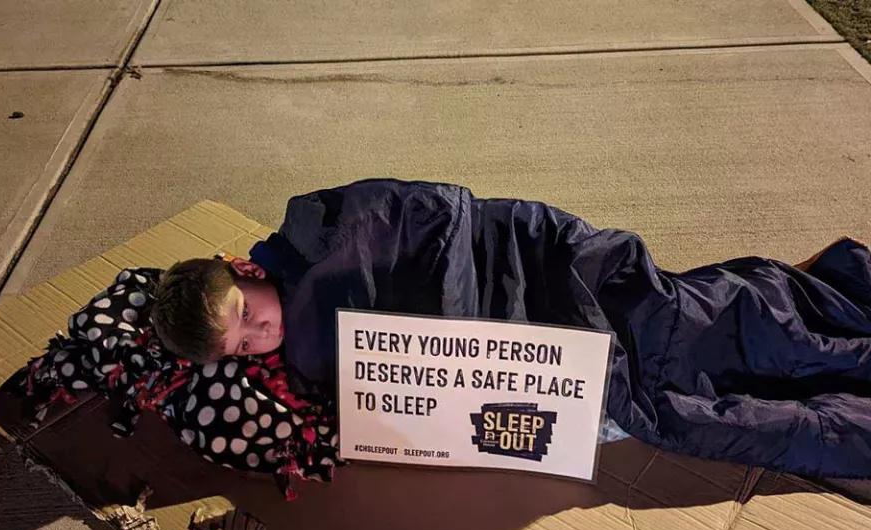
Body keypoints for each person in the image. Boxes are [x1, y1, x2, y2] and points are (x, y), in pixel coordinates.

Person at [150, 177, 871, 480]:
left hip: (543, 269)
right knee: (678, 406)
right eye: (241, 348)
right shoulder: (305, 363)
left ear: (243, 270)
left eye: (247, 316)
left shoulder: (327, 224)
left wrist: (473, 339)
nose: (260, 336)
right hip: (534, 347)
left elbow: (447, 217)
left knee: (695, 327)